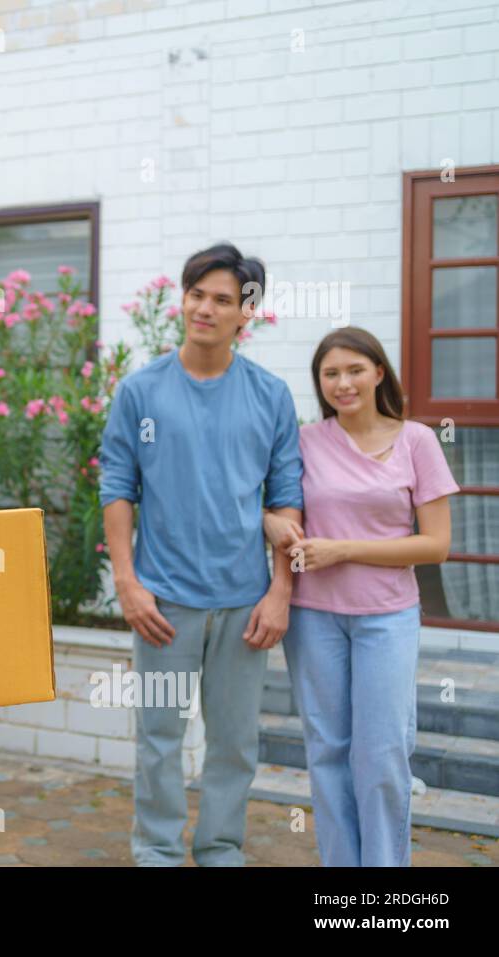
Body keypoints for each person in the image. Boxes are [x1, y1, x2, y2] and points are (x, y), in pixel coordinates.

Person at [100, 242, 304, 866]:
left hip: (245, 605)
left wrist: (280, 593)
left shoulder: (270, 396)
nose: (206, 309)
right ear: (181, 300)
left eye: (223, 300)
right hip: (164, 602)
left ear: (247, 314)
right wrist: (128, 585)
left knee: (235, 744)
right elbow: (117, 488)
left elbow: (288, 497)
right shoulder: (141, 392)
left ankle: (219, 850)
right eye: (197, 295)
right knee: (159, 741)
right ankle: (157, 852)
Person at [268, 327, 456, 867]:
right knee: (327, 751)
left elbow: (437, 544)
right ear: (319, 382)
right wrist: (269, 524)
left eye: (354, 369)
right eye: (331, 373)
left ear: (378, 372)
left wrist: (343, 550)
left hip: (386, 618)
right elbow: (274, 509)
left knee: (381, 755)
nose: (343, 382)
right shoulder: (304, 441)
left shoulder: (416, 440)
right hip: (313, 618)